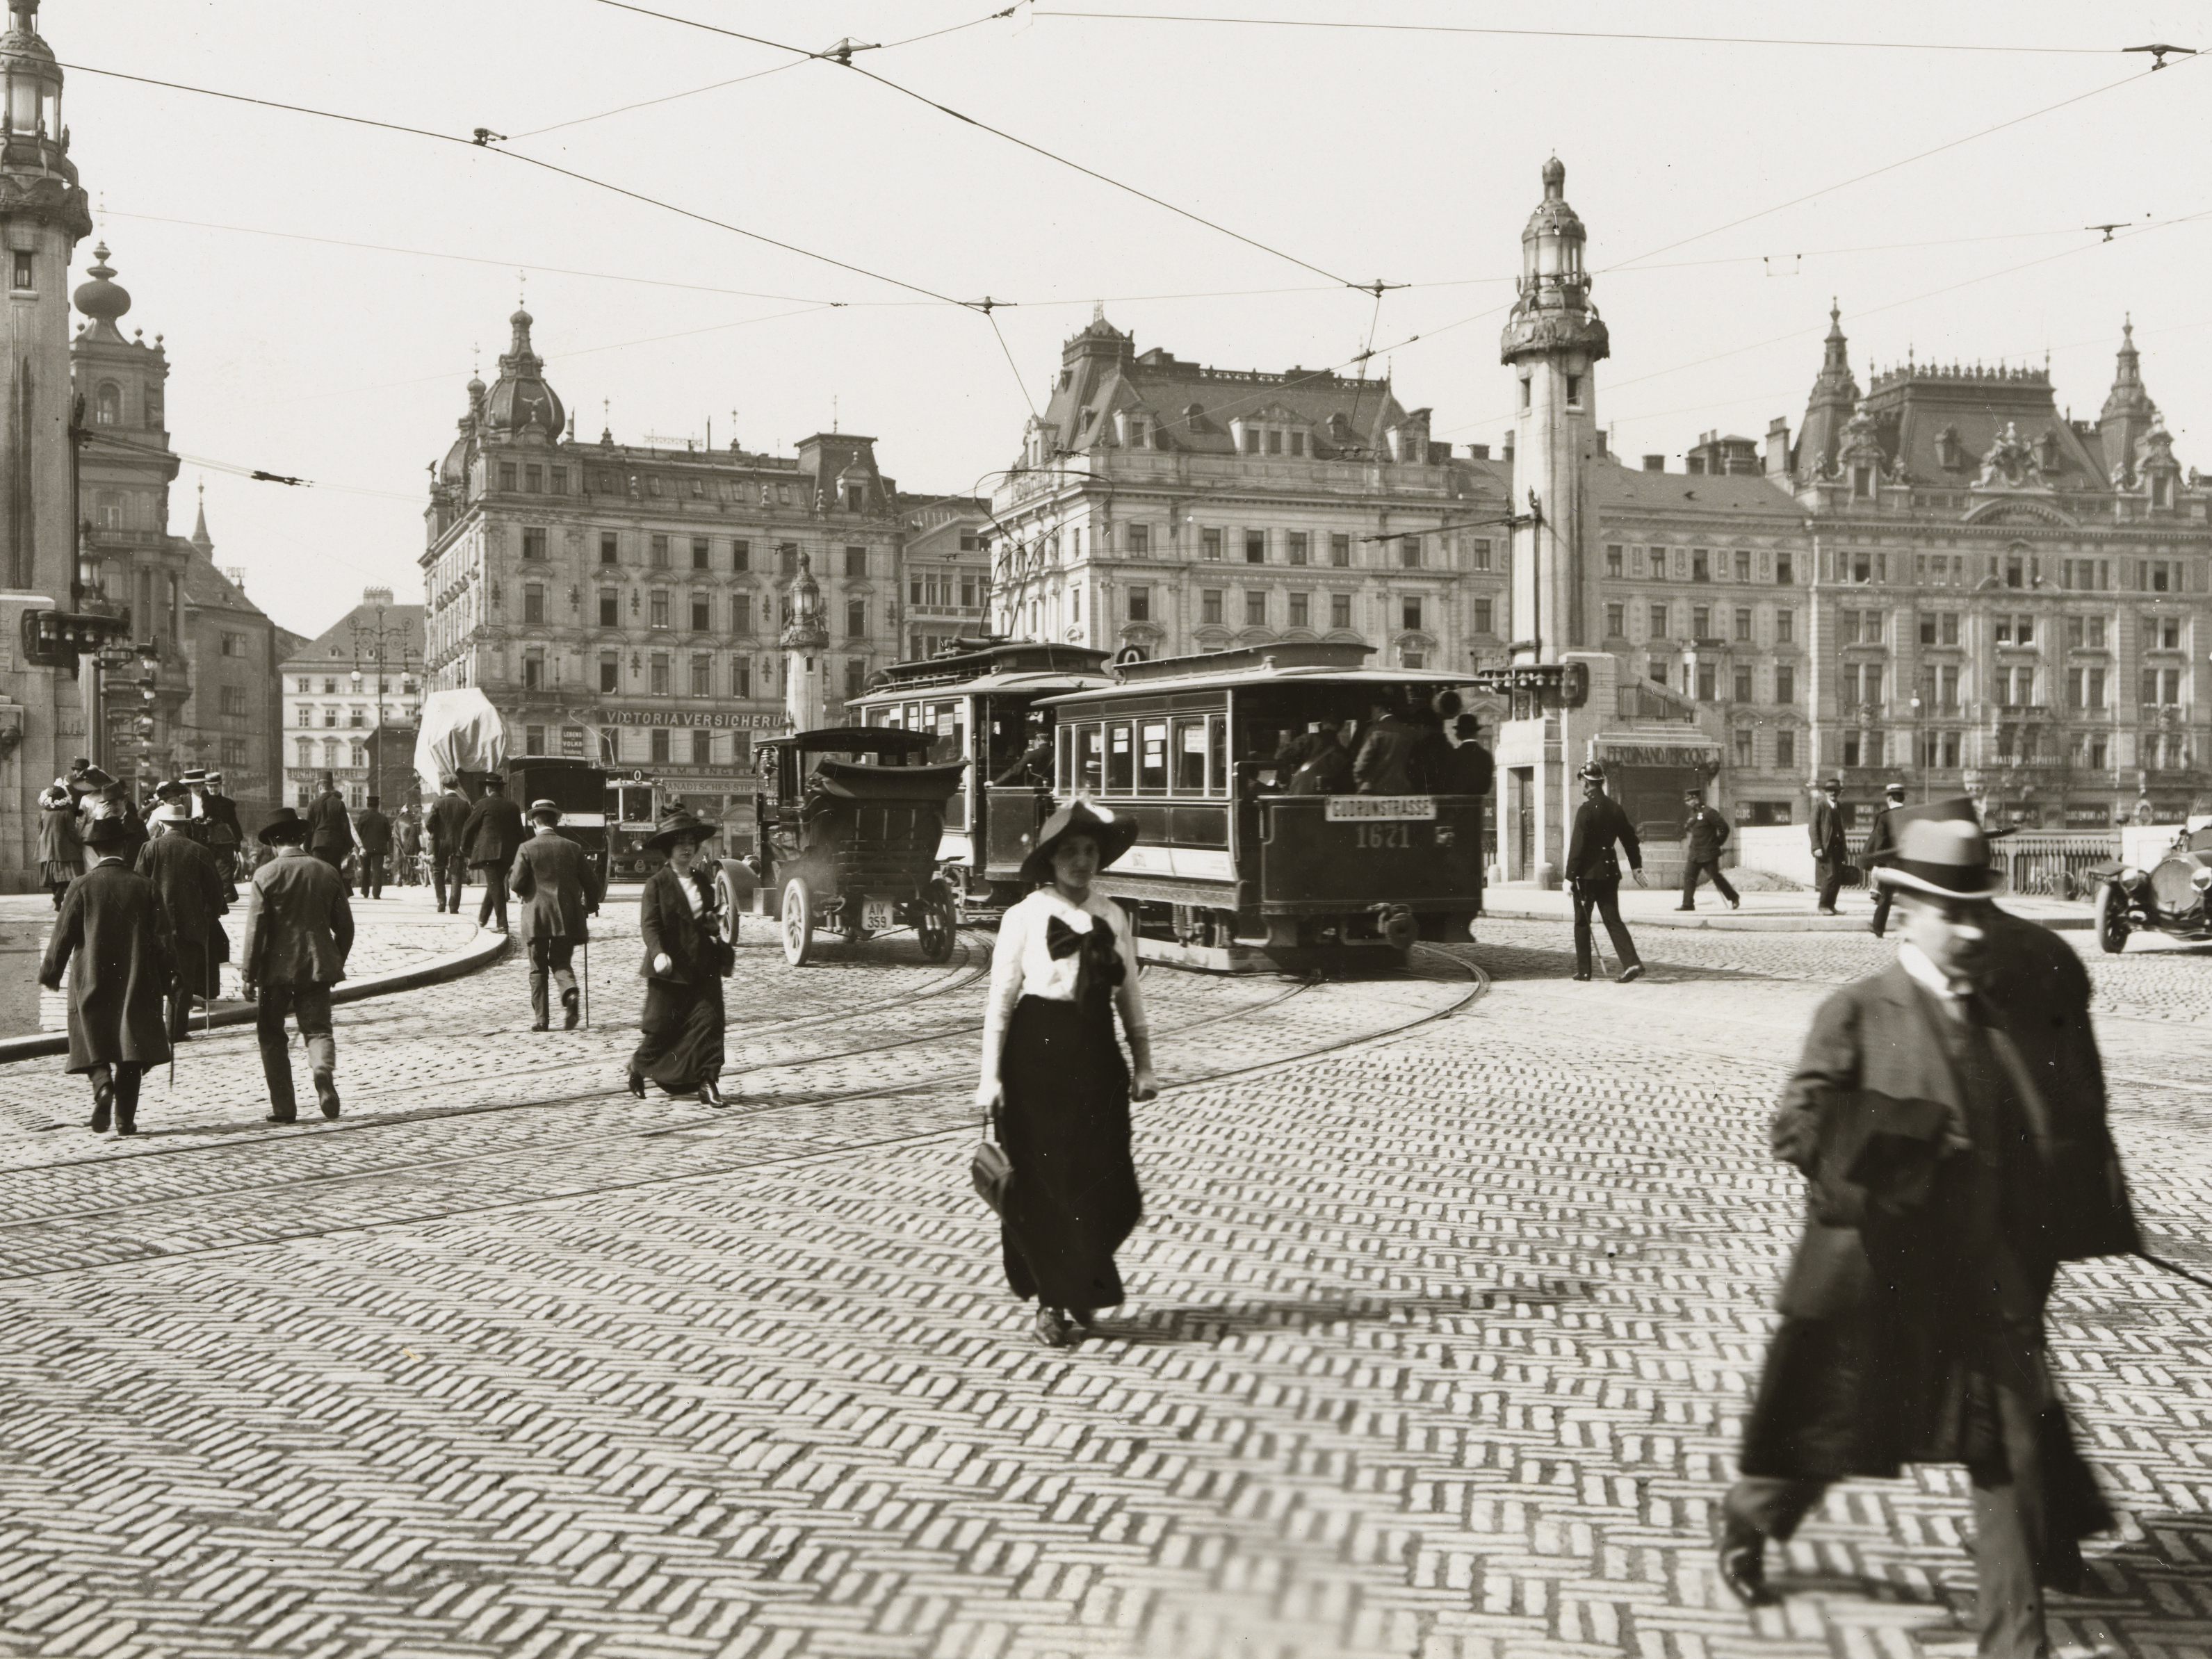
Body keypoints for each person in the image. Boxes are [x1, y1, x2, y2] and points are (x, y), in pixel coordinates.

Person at [1720, 808, 2138, 1658]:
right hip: (1879, 1274)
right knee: (1831, 1426)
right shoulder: (1855, 1009)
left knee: (2009, 1451)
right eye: (1952, 911)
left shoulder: (2001, 1012)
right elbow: (1795, 1125)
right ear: (1906, 910)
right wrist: (1902, 1135)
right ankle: (1751, 1514)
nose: (1972, 928)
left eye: (1979, 908)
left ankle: (2013, 1642)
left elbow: (2050, 1124)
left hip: (1987, 1280)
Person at [975, 800, 1159, 1348]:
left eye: (1090, 850)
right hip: (1036, 1059)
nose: (1081, 861)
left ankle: (1081, 1278)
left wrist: (1144, 1064)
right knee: (1046, 1187)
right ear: (1051, 859)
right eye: (1070, 851)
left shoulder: (1113, 915)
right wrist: (989, 1078)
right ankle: (1052, 1304)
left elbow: (1130, 995)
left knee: (1112, 1187)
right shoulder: (1024, 916)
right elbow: (1000, 1002)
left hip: (1098, 1057)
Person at [37, 812, 173, 1137]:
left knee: (89, 1036)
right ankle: (125, 1120)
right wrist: (172, 977)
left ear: (95, 850)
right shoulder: (146, 886)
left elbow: (63, 935)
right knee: (132, 1047)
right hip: (138, 979)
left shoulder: (81, 885)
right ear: (124, 847)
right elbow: (163, 939)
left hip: (91, 977)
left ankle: (102, 1087)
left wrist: (51, 973)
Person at [239, 806, 355, 1124]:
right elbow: (346, 927)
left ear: (273, 842)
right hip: (317, 966)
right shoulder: (326, 871)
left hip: (275, 972)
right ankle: (321, 1070)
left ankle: (284, 1108)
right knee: (318, 1030)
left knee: (271, 1035)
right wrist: (334, 961)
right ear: (301, 838)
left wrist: (249, 974)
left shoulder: (265, 875)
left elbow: (256, 930)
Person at [627, 811, 732, 1105]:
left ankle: (708, 1082)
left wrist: (713, 922)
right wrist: (658, 953)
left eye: (691, 843)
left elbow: (708, 919)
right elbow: (650, 925)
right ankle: (638, 1067)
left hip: (703, 964)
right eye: (680, 843)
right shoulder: (657, 883)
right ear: (669, 848)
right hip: (670, 968)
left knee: (710, 1023)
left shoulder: (702, 880)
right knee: (662, 1029)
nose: (687, 848)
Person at [137, 801, 231, 1041]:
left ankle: (150, 1030)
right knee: (184, 979)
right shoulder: (200, 850)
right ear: (184, 826)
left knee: (152, 977)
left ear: (162, 825)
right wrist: (210, 916)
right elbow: (215, 892)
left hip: (155, 926)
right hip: (191, 927)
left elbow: (138, 886)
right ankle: (175, 1031)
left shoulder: (149, 848)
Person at [511, 799, 603, 1031]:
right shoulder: (573, 848)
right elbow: (592, 884)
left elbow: (516, 883)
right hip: (566, 916)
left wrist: (525, 890)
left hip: (536, 916)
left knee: (537, 968)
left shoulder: (527, 848)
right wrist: (590, 906)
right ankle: (570, 992)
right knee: (561, 961)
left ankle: (542, 1020)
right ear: (557, 821)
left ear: (534, 822)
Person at [1563, 761, 1645, 983]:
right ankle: (1632, 962)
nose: (1582, 786)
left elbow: (1577, 847)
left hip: (1587, 875)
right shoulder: (1615, 808)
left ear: (1587, 783)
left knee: (1582, 921)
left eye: (1582, 782)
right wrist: (1636, 867)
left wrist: (1569, 877)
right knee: (1613, 919)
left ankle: (1584, 972)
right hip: (1609, 872)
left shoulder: (1586, 810)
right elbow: (1630, 840)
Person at [462, 774, 527, 933]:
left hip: (488, 852)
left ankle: (502, 924)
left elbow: (469, 827)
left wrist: (464, 846)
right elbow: (520, 832)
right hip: (508, 853)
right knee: (495, 883)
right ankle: (483, 917)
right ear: (500, 789)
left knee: (495, 884)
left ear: (488, 789)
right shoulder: (513, 806)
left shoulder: (482, 804)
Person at [1677, 787, 1739, 912]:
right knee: (1689, 877)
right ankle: (1688, 904)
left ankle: (1734, 897)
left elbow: (1724, 828)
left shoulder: (1710, 812)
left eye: (1689, 800)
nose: (1688, 803)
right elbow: (1691, 827)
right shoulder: (1694, 814)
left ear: (1696, 799)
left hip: (1708, 853)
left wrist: (1717, 843)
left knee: (1715, 877)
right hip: (1695, 852)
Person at [1861, 781, 1909, 938]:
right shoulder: (1910, 814)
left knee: (1886, 897)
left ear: (1889, 798)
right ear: (1903, 798)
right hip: (1908, 863)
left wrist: (1877, 865)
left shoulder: (1884, 817)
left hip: (1890, 864)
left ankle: (1878, 928)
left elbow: (1880, 844)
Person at [1352, 696, 1417, 794]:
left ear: (1379, 709)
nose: (1371, 715)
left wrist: (1361, 783)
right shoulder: (1409, 732)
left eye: (1372, 711)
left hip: (1376, 790)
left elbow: (1361, 764)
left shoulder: (1375, 731)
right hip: (1404, 789)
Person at [429, 775, 471, 913]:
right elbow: (470, 825)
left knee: (438, 871)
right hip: (458, 843)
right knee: (456, 874)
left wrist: (435, 833)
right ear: (457, 786)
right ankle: (454, 907)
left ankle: (441, 902)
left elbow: (429, 823)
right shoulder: (464, 804)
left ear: (443, 787)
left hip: (440, 844)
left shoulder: (438, 803)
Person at [38, 778, 81, 909]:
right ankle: (59, 895)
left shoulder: (43, 813)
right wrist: (79, 843)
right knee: (67, 875)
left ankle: (56, 895)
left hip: (47, 849)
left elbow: (40, 830)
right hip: (64, 849)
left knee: (51, 876)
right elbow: (72, 832)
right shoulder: (66, 813)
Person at [1810, 777, 1850, 915]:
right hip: (1825, 848)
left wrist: (1844, 849)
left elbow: (1841, 829)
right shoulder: (1820, 806)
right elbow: (1813, 828)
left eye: (1836, 791)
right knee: (1830, 875)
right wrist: (1816, 847)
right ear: (1826, 792)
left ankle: (1831, 906)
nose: (1833, 793)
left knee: (1838, 877)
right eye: (1830, 791)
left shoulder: (1839, 807)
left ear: (1840, 793)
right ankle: (1823, 905)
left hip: (1838, 848)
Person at [306, 774, 355, 886]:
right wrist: (349, 846)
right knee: (334, 875)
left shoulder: (312, 804)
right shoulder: (339, 804)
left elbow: (308, 829)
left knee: (319, 875)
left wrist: (307, 846)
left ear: (320, 787)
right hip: (335, 845)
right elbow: (345, 827)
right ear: (332, 787)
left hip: (317, 845)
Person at [1282, 723, 1352, 796]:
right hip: (1326, 794)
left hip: (1301, 790)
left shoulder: (1308, 738)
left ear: (1322, 725)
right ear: (1340, 728)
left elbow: (1283, 755)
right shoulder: (1343, 753)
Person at [200, 771, 245, 882]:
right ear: (206, 787)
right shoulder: (201, 802)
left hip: (224, 843)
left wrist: (237, 841)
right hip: (206, 842)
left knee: (224, 875)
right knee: (207, 874)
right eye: (210, 786)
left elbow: (234, 823)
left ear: (220, 786)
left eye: (216, 786)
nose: (213, 789)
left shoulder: (228, 804)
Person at [353, 794, 393, 900]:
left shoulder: (363, 817)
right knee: (377, 871)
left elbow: (357, 834)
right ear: (377, 805)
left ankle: (365, 891)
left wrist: (360, 847)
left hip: (365, 848)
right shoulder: (383, 818)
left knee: (365, 869)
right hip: (379, 849)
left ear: (368, 804)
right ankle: (376, 893)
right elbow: (389, 835)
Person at [1445, 715, 1495, 796]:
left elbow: (1448, 783)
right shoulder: (1486, 756)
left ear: (1460, 734)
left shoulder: (1454, 755)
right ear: (1476, 734)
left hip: (1457, 802)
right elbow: (1486, 787)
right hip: (1478, 802)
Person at [993, 720, 1054, 785]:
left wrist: (995, 783)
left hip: (1034, 789)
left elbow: (1015, 771)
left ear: (1038, 738)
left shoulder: (1032, 755)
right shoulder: (1056, 753)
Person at [395, 809, 423, 887]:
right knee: (414, 850)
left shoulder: (398, 821)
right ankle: (413, 878)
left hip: (402, 844)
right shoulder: (414, 820)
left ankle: (399, 878)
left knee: (399, 849)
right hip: (415, 840)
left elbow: (398, 842)